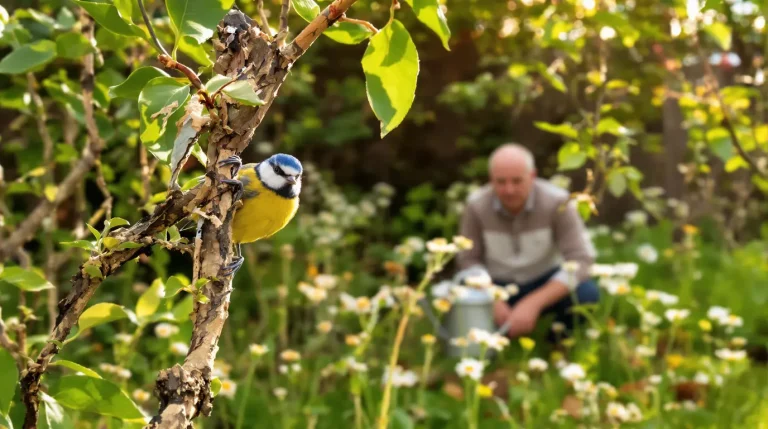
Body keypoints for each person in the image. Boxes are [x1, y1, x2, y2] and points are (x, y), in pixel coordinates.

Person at [456, 143, 599, 341]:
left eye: (517, 181)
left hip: (543, 279)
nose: (509, 190)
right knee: (459, 294)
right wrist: (492, 297)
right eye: (500, 182)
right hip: (496, 283)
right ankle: (487, 345)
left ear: (532, 176)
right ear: (491, 179)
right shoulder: (476, 205)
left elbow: (581, 259)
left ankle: (558, 345)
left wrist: (534, 302)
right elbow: (468, 259)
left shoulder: (558, 202)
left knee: (586, 293)